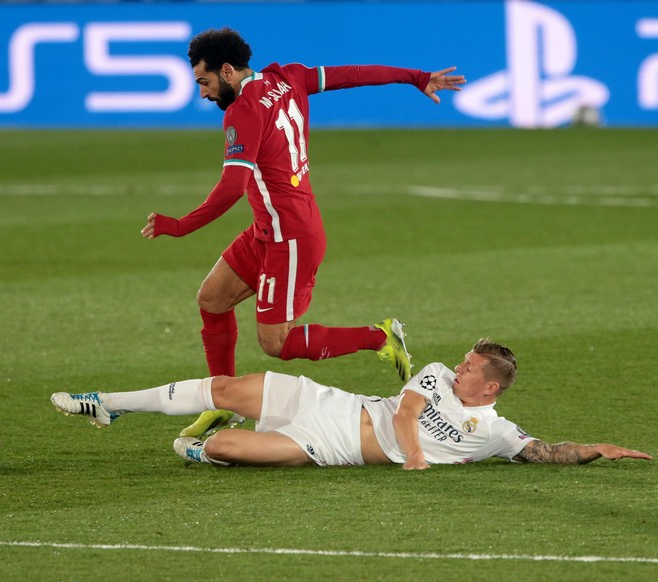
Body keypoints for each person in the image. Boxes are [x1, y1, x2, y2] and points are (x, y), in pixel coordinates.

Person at [140, 27, 466, 437]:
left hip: (290, 238)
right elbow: (353, 74)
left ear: (226, 70)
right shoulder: (287, 77)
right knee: (211, 298)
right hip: (268, 229)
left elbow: (232, 188)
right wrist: (416, 77)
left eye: (204, 82)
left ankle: (379, 336)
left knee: (275, 343)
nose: (203, 93)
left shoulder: (241, 111)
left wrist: (180, 225)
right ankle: (223, 402)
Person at [51, 339, 652, 469]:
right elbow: (406, 414)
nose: (460, 366)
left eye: (472, 367)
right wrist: (414, 458)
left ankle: (199, 443)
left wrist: (593, 449)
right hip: (335, 402)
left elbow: (539, 450)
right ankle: (108, 403)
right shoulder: (437, 372)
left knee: (223, 447)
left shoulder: (493, 430)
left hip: (329, 445)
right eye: (465, 361)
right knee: (229, 385)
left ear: (489, 386)